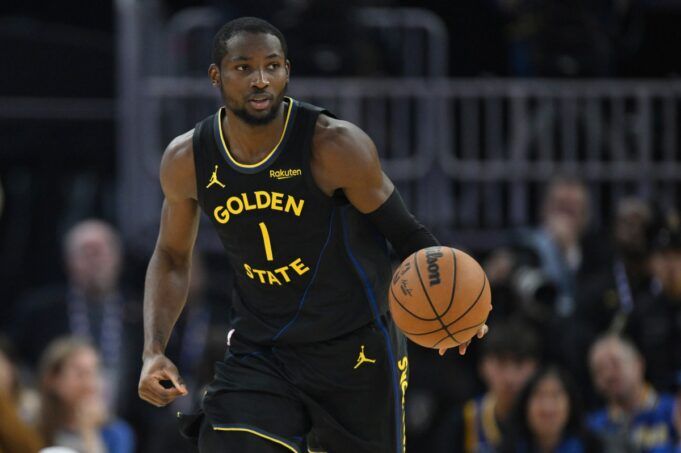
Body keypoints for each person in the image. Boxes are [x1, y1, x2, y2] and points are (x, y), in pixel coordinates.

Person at [137, 16, 488, 453]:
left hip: (354, 346)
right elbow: (171, 256)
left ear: (287, 71)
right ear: (216, 75)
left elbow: (406, 233)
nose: (261, 79)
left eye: (272, 66)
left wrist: (456, 306)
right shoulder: (188, 158)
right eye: (244, 67)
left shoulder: (334, 146)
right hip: (263, 347)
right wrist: (153, 349)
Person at [11, 220, 142, 416]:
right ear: (68, 261)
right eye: (86, 253)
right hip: (53, 419)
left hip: (129, 420)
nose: (95, 261)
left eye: (101, 252)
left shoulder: (141, 312)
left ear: (118, 258)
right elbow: (15, 362)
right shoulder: (39, 311)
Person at [436, 320, 541, 452]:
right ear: (482, 366)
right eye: (501, 363)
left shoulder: (548, 417)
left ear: (536, 367)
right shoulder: (465, 420)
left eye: (519, 364)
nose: (509, 377)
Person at [37, 338, 135, 453]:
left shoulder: (116, 433)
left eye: (95, 372)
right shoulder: (34, 427)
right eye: (80, 374)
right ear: (53, 380)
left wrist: (90, 432)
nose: (90, 384)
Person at [587, 334, 681, 452]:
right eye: (599, 370)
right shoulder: (593, 427)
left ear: (639, 364)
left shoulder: (673, 408)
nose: (608, 375)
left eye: (615, 364)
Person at [500, 366, 602, 453]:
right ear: (525, 405)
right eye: (540, 396)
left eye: (555, 396)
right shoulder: (508, 448)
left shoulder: (592, 447)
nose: (547, 407)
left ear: (570, 404)